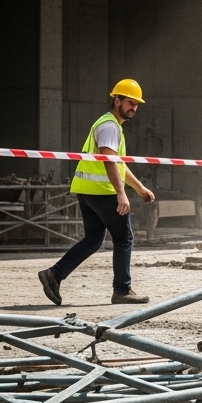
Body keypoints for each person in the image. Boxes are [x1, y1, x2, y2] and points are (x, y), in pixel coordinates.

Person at [38, 79, 156, 306]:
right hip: (102, 192)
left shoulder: (109, 125)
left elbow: (118, 164)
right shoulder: (110, 126)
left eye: (136, 104)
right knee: (124, 237)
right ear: (117, 100)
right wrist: (121, 194)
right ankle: (122, 290)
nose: (134, 108)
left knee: (93, 239)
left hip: (87, 191)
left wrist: (139, 188)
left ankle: (54, 274)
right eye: (130, 102)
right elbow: (110, 162)